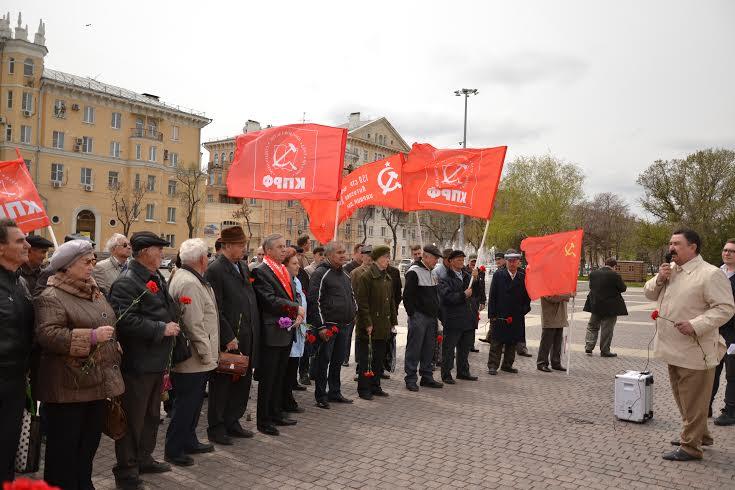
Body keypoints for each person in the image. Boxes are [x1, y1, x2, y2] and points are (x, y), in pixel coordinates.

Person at [34, 239, 125, 489]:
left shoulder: (93, 291)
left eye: (94, 260)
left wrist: (112, 342)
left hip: (95, 384)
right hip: (67, 388)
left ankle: (83, 483)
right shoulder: (52, 295)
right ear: (67, 267)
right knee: (64, 452)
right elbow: (48, 335)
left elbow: (106, 320)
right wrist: (92, 337)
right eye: (86, 261)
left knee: (87, 447)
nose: (92, 265)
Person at [644, 229, 734, 461]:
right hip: (672, 347)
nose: (671, 248)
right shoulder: (671, 271)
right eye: (670, 243)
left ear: (692, 247)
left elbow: (725, 308)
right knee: (685, 398)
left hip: (696, 349)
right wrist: (659, 278)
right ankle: (700, 435)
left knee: (693, 400)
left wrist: (696, 324)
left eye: (676, 244)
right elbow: (649, 294)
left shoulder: (710, 274)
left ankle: (690, 447)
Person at [109, 231, 180, 489]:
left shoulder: (155, 277)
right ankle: (126, 471)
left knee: (151, 416)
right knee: (133, 419)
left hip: (156, 361)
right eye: (158, 249)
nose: (162, 253)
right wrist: (161, 328)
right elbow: (124, 321)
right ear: (143, 252)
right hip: (138, 364)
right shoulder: (127, 282)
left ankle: (144, 458)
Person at [165, 238, 219, 467]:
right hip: (193, 357)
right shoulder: (189, 283)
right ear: (201, 259)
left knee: (193, 404)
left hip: (195, 356)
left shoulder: (188, 277)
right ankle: (174, 449)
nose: (208, 258)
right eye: (207, 254)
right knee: (185, 405)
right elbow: (194, 324)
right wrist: (208, 355)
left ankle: (189, 440)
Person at [205, 226, 260, 445]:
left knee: (242, 381)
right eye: (240, 245)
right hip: (230, 339)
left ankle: (233, 420)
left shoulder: (242, 267)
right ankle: (217, 427)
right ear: (227, 246)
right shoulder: (216, 270)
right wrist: (228, 335)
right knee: (223, 383)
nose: (243, 249)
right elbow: (215, 308)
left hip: (246, 335)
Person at [253, 234, 303, 436]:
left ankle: (276, 413)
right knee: (268, 378)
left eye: (285, 246)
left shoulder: (283, 269)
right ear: (269, 251)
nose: (285, 250)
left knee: (279, 377)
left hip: (285, 331)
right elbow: (269, 300)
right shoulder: (261, 271)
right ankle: (263, 420)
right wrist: (295, 308)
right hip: (271, 332)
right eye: (280, 247)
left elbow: (288, 296)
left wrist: (295, 313)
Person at [0, 219, 34, 484]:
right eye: (20, 240)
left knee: (8, 451)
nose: (28, 245)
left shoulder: (20, 282)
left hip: (14, 384)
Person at [307, 241, 356, 409]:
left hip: (345, 326)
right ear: (328, 255)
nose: (344, 255)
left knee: (337, 361)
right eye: (339, 252)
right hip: (328, 327)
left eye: (344, 251)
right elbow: (314, 302)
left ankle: (335, 392)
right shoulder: (321, 273)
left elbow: (351, 296)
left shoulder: (345, 274)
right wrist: (321, 327)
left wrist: (353, 312)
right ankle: (321, 396)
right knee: (323, 361)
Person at [354, 246, 397, 400]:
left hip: (383, 325)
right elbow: (362, 303)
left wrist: (393, 321)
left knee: (379, 358)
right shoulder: (367, 277)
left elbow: (390, 301)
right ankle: (364, 389)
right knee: (367, 359)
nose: (388, 260)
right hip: (369, 327)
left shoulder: (387, 277)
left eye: (388, 257)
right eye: (385, 257)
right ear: (377, 258)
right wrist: (367, 323)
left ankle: (375, 385)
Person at [403, 245, 444, 391]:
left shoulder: (432, 273)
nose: (436, 261)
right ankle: (411, 378)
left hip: (431, 317)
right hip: (419, 317)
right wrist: (413, 314)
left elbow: (435, 296)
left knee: (429, 348)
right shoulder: (414, 272)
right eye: (434, 258)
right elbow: (407, 296)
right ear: (426, 257)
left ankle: (427, 376)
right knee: (414, 348)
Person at [438, 250, 482, 384]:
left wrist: (477, 279)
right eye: (458, 259)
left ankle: (463, 371)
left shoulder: (468, 276)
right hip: (453, 319)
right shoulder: (445, 278)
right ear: (450, 261)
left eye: (462, 259)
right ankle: (446, 374)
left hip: (468, 318)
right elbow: (447, 298)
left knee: (465, 348)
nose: (461, 262)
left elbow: (477, 293)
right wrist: (463, 295)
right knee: (449, 349)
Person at [486, 249, 531, 375]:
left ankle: (507, 364)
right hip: (500, 314)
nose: (512, 263)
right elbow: (493, 295)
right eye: (510, 261)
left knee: (512, 341)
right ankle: (493, 365)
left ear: (518, 262)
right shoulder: (498, 275)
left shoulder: (522, 277)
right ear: (506, 262)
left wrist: (524, 310)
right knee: (497, 341)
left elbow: (527, 297)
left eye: (515, 261)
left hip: (516, 315)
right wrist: (492, 315)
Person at [711, 238, 735, 425]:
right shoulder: (716, 273)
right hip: (714, 330)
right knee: (711, 372)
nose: (727, 253)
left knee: (732, 374)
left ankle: (730, 411)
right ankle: (705, 407)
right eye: (725, 250)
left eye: (732, 251)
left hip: (733, 334)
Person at [281, 247, 308, 414]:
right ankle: (286, 400)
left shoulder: (296, 280)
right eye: (294, 263)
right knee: (287, 370)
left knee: (292, 368)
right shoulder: (285, 281)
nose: (298, 266)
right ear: (285, 265)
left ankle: (288, 398)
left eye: (298, 263)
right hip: (288, 329)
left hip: (299, 329)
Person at [584, 258, 628, 357]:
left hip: (595, 305)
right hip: (610, 307)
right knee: (607, 329)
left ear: (605, 264)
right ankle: (605, 350)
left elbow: (591, 287)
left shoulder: (593, 274)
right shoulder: (615, 275)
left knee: (592, 327)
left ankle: (588, 347)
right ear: (614, 266)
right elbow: (623, 288)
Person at [348, 245, 373, 368]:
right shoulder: (356, 273)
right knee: (361, 338)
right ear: (362, 256)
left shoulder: (378, 271)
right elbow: (352, 293)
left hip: (374, 311)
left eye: (371, 255)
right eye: (367, 255)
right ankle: (359, 365)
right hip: (360, 311)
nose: (369, 258)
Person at [537, 294, 573, 372]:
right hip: (550, 315)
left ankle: (556, 362)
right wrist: (567, 295)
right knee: (546, 341)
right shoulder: (546, 283)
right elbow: (551, 298)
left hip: (560, 316)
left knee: (558, 342)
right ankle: (541, 363)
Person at [479, 252, 507, 345]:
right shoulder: (499, 270)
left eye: (499, 259)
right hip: (496, 302)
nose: (497, 261)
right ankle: (490, 337)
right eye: (496, 259)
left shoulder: (506, 271)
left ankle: (500, 343)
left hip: (503, 303)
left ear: (504, 259)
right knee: (494, 322)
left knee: (501, 326)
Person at [383, 260, 402, 377]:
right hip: (377, 315)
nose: (386, 259)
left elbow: (398, 293)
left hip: (391, 312)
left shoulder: (394, 272)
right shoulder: (370, 273)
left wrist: (394, 310)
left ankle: (385, 366)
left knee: (388, 340)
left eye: (387, 256)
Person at [467, 255, 486, 353]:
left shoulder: (481, 272)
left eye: (475, 262)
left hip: (476, 300)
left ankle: (471, 344)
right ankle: (465, 344)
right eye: (472, 262)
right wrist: (473, 277)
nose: (473, 264)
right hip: (467, 300)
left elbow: (482, 287)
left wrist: (483, 301)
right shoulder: (464, 270)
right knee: (467, 322)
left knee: (474, 322)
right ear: (469, 262)